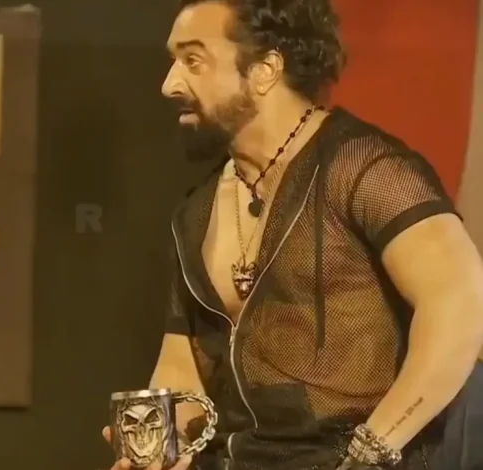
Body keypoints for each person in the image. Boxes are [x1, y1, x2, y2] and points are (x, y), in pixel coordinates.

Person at [103, 0, 483, 469]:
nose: (169, 84)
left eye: (193, 60)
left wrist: (370, 453)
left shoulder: (365, 169)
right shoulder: (195, 214)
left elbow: (459, 304)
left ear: (265, 70)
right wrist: (158, 445)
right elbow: (184, 368)